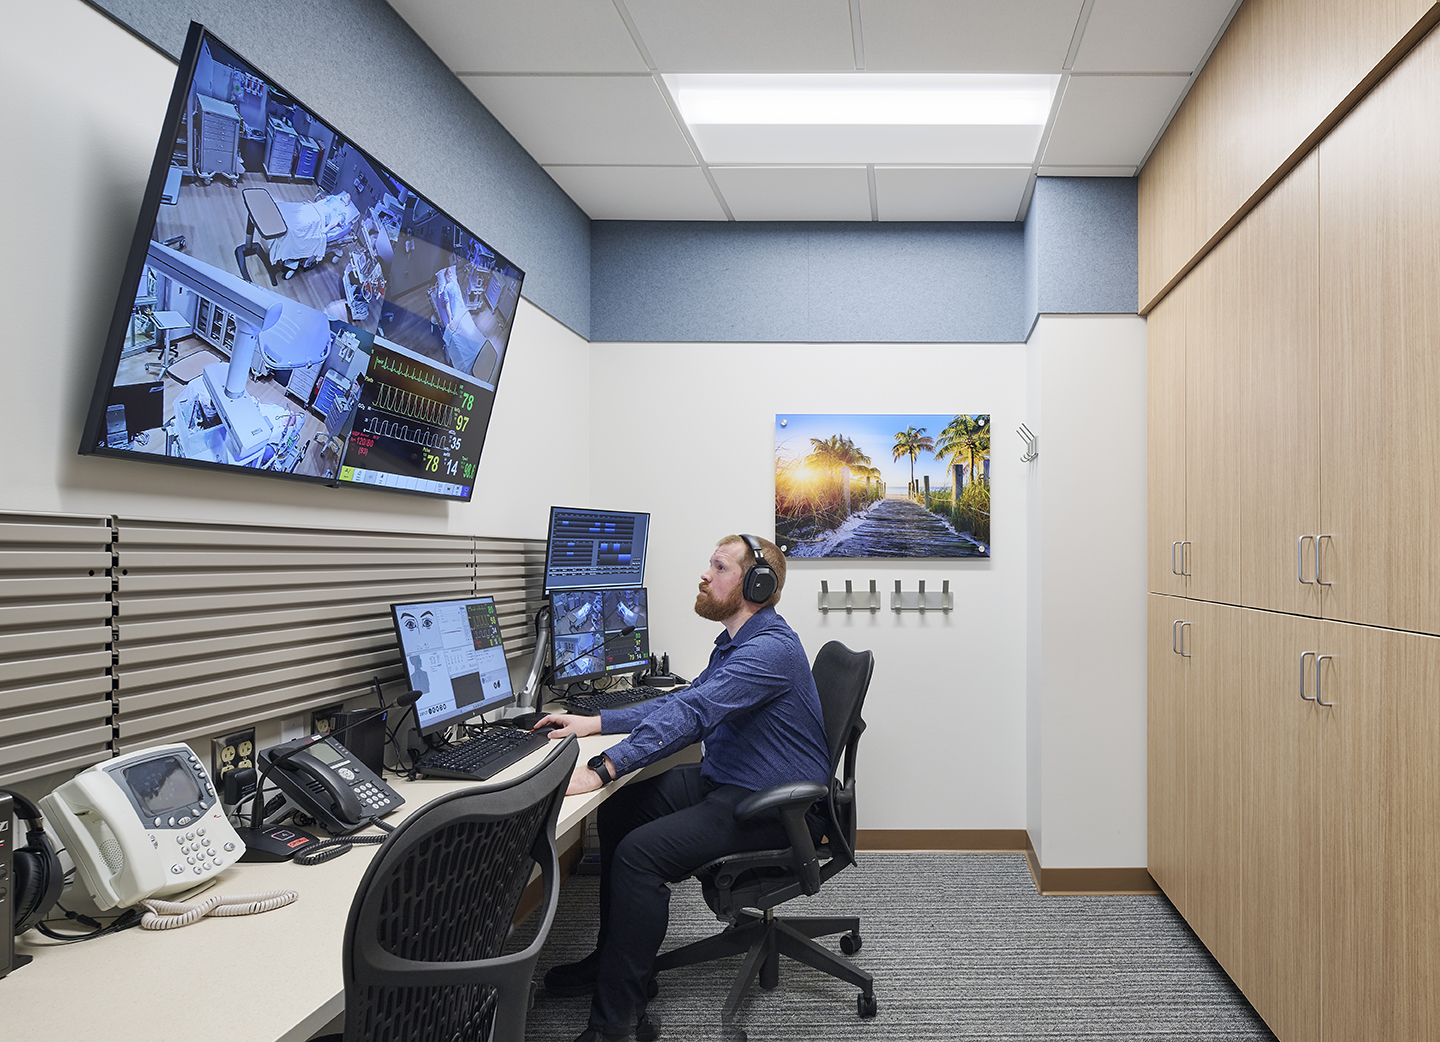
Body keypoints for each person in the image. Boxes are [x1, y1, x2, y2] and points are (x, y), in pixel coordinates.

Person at [536, 533, 831, 1042]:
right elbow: (686, 699)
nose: (704, 575)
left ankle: (616, 1025)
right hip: (734, 778)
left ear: (757, 585)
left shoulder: (769, 651)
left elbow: (694, 715)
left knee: (639, 856)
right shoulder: (737, 643)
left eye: (719, 567)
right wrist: (597, 722)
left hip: (774, 805)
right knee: (620, 812)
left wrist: (603, 768)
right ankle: (617, 961)